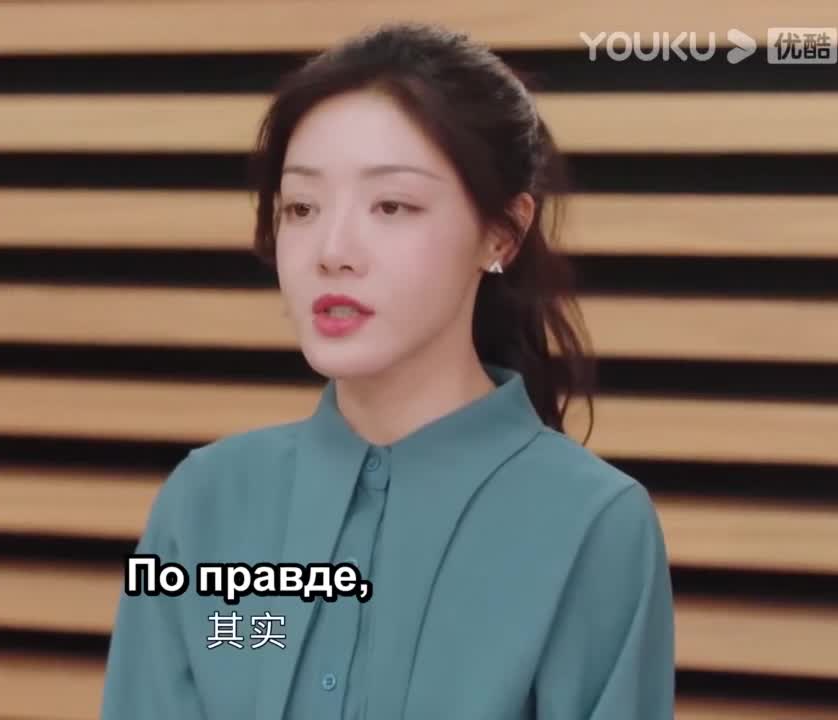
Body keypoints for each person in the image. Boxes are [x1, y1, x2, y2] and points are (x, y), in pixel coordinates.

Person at [101, 21, 675, 720]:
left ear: (502, 234)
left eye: (391, 205)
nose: (332, 250)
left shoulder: (594, 525)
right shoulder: (203, 503)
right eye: (302, 207)